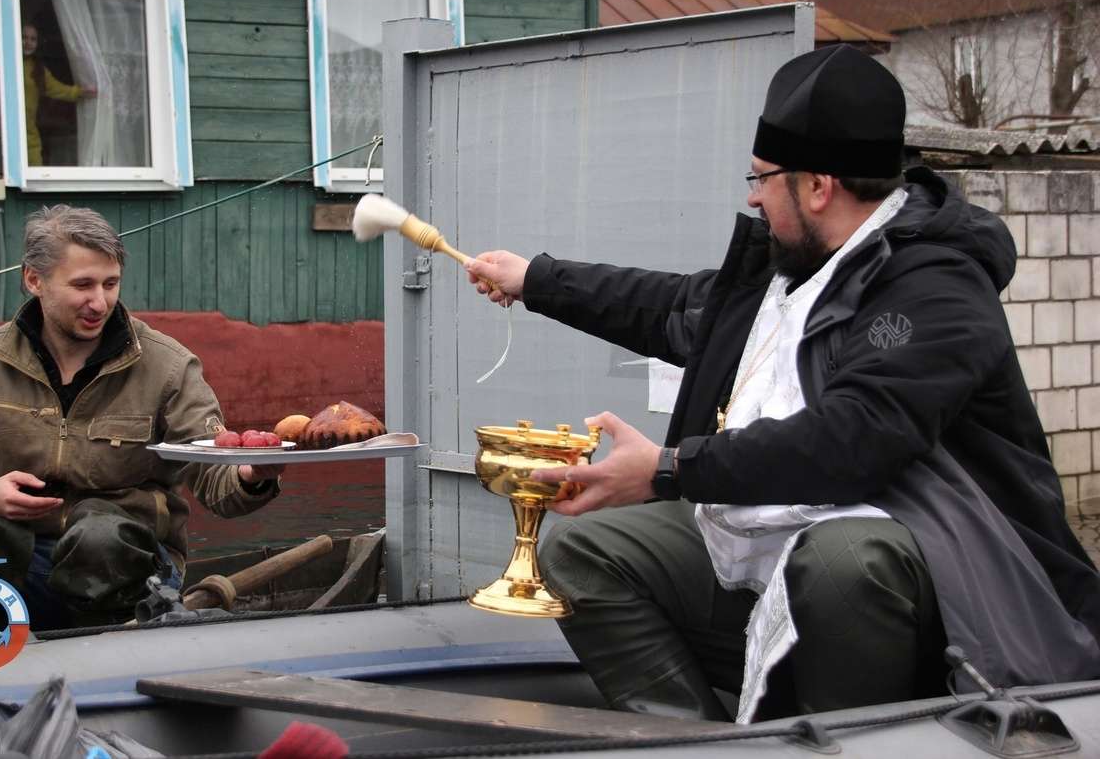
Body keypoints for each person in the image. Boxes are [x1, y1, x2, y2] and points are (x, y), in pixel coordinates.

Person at [464, 45, 1100, 723]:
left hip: (952, 585)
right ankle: (695, 740)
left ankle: (855, 739)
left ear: (818, 185)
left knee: (839, 560)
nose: (751, 194)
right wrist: (536, 280)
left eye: (762, 176)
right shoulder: (791, 271)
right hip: (766, 546)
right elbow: (669, 308)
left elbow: (853, 438)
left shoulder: (936, 285)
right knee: (587, 549)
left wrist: (670, 469)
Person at [0, 205, 281, 630]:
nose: (100, 302)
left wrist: (253, 474)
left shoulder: (168, 366)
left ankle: (102, 648)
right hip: (12, 555)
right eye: (83, 285)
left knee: (99, 537)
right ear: (34, 279)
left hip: (126, 564)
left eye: (111, 283)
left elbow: (215, 480)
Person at [22, 23, 96, 166]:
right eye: (24, 37)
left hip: (29, 135)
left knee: (35, 169)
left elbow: (59, 89)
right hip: (7, 131)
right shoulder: (9, 62)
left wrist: (81, 92)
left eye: (33, 39)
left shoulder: (38, 70)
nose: (28, 43)